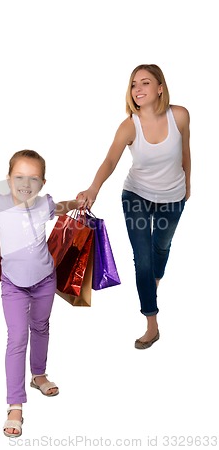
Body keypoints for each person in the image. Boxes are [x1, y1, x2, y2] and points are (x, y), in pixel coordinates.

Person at [77, 64, 191, 349]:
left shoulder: (180, 115)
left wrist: (188, 184)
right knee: (142, 259)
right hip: (136, 196)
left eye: (145, 83)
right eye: (133, 84)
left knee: (160, 250)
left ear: (160, 88)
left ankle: (150, 285)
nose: (138, 89)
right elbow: (111, 161)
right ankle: (151, 323)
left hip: (172, 198)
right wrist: (93, 188)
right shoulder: (130, 125)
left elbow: (185, 149)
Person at [0, 149, 79, 438]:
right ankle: (15, 404)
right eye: (19, 177)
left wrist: (77, 201)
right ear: (8, 179)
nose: (26, 184)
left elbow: (60, 207)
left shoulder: (44, 204)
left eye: (33, 179)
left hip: (44, 280)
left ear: (43, 183)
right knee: (17, 338)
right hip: (13, 284)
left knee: (41, 327)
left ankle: (38, 375)